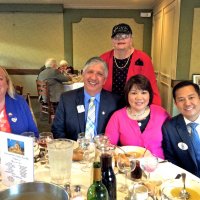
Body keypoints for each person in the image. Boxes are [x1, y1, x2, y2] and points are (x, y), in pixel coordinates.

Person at [51, 56, 122, 140]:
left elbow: (121, 134)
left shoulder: (115, 102)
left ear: (104, 80)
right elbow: (57, 130)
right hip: (74, 150)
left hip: (103, 151)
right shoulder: (67, 99)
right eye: (90, 72)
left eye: (99, 74)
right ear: (83, 75)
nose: (93, 77)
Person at [105, 74, 170, 158]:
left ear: (149, 95)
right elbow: (109, 147)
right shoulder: (117, 117)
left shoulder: (161, 113)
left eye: (143, 92)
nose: (139, 97)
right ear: (127, 95)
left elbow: (172, 144)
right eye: (134, 93)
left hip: (158, 166)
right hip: (129, 166)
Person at [100, 23, 161, 106]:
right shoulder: (103, 59)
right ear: (112, 40)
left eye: (125, 36)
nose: (120, 39)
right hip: (108, 105)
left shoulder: (143, 58)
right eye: (117, 37)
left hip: (135, 105)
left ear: (131, 39)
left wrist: (155, 110)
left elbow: (151, 87)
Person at [162, 81, 200, 177]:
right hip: (188, 181)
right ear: (175, 103)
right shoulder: (169, 128)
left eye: (191, 97)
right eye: (181, 99)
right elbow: (171, 160)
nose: (187, 103)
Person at [0, 66, 39, 137]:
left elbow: (33, 133)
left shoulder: (19, 102)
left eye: (0, 78)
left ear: (7, 84)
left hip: (18, 148)